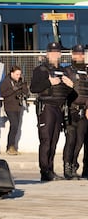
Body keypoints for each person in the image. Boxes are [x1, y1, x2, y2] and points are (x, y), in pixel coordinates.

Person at [30, 42, 74, 182]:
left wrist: (70, 86)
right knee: (46, 140)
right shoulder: (41, 70)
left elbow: (66, 93)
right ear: (47, 54)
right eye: (52, 52)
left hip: (58, 109)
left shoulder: (63, 71)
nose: (55, 55)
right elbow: (33, 88)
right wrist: (49, 82)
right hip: (46, 108)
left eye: (57, 52)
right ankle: (45, 171)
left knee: (54, 141)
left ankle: (51, 169)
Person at [63, 44, 88, 179]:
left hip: (84, 111)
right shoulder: (67, 70)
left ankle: (73, 166)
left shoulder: (86, 71)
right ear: (73, 55)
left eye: (82, 54)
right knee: (71, 140)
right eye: (77, 54)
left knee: (79, 142)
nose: (80, 56)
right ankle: (67, 168)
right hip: (71, 110)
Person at [0, 65, 29, 155]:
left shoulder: (20, 81)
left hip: (18, 106)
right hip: (10, 106)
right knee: (14, 125)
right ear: (12, 73)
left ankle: (12, 146)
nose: (18, 76)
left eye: (19, 74)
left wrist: (24, 87)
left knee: (16, 127)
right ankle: (10, 146)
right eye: (17, 74)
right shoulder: (6, 82)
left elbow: (25, 92)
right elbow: (3, 93)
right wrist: (13, 89)